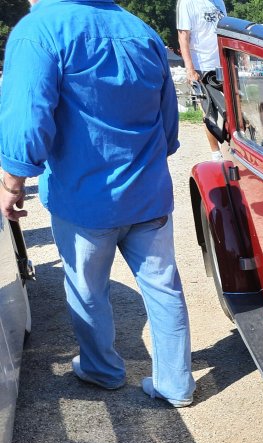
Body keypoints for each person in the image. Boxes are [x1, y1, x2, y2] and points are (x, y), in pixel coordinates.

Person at [0, 0, 196, 407]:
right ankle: (176, 385)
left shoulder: (38, 30)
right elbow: (169, 124)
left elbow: (28, 117)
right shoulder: (141, 31)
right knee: (163, 288)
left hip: (83, 199)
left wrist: (12, 181)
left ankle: (101, 370)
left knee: (87, 289)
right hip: (148, 194)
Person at [177, 0, 227, 161]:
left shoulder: (219, 1)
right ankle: (216, 152)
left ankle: (234, 144)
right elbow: (183, 36)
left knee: (233, 106)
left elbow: (225, 31)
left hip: (222, 62)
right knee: (208, 110)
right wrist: (190, 69)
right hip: (201, 65)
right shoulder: (186, 3)